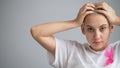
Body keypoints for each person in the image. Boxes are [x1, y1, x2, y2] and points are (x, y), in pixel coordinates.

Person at [31, 2, 120, 68]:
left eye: (102, 28)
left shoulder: (117, 51)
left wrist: (116, 19)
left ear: (111, 28)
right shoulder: (71, 51)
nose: (97, 36)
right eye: (90, 29)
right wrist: (74, 22)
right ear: (83, 29)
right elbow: (36, 32)